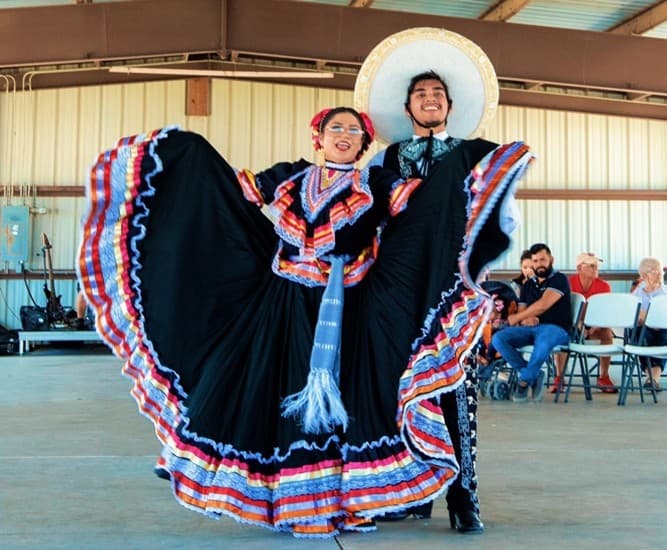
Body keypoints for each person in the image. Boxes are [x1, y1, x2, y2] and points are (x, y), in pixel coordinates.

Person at [77, 103, 532, 537]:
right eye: (336, 129)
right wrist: (190, 153)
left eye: (354, 132)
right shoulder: (291, 174)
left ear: (364, 143)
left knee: (345, 407)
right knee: (284, 396)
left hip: (350, 306)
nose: (345, 137)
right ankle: (298, 504)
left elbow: (429, 207)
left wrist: (475, 163)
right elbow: (233, 192)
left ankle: (342, 504)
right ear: (319, 138)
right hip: (286, 303)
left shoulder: (379, 181)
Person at [355, 28, 533, 534]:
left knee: (455, 390)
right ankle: (406, 493)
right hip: (396, 291)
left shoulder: (478, 153)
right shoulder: (386, 160)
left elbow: (500, 213)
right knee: (398, 390)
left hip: (454, 289)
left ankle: (463, 497)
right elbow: (368, 221)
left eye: (437, 94)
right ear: (408, 106)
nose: (429, 100)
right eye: (420, 94)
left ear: (449, 105)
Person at [492, 243, 571, 403]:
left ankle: (523, 382)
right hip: (531, 329)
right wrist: (524, 318)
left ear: (551, 260)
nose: (539, 264)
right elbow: (522, 311)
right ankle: (532, 376)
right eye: (535, 261)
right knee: (499, 339)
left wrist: (515, 318)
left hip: (556, 329)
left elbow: (543, 305)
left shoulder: (559, 279)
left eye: (542, 259)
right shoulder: (528, 285)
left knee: (543, 340)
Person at [551, 252, 615, 394]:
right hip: (572, 323)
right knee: (561, 331)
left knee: (606, 332)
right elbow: (563, 310)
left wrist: (592, 328)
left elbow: (605, 311)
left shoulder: (604, 286)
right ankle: (559, 377)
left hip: (595, 325)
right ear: (579, 268)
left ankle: (604, 377)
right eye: (591, 265)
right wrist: (578, 324)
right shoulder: (567, 283)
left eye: (596, 265)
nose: (595, 268)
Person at [632, 257, 667, 391]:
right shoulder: (637, 293)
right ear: (643, 275)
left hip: (664, 329)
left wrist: (648, 317)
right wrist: (653, 319)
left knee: (664, 336)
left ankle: (653, 378)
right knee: (640, 335)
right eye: (653, 271)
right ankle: (651, 378)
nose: (658, 273)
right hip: (644, 330)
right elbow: (635, 316)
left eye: (659, 270)